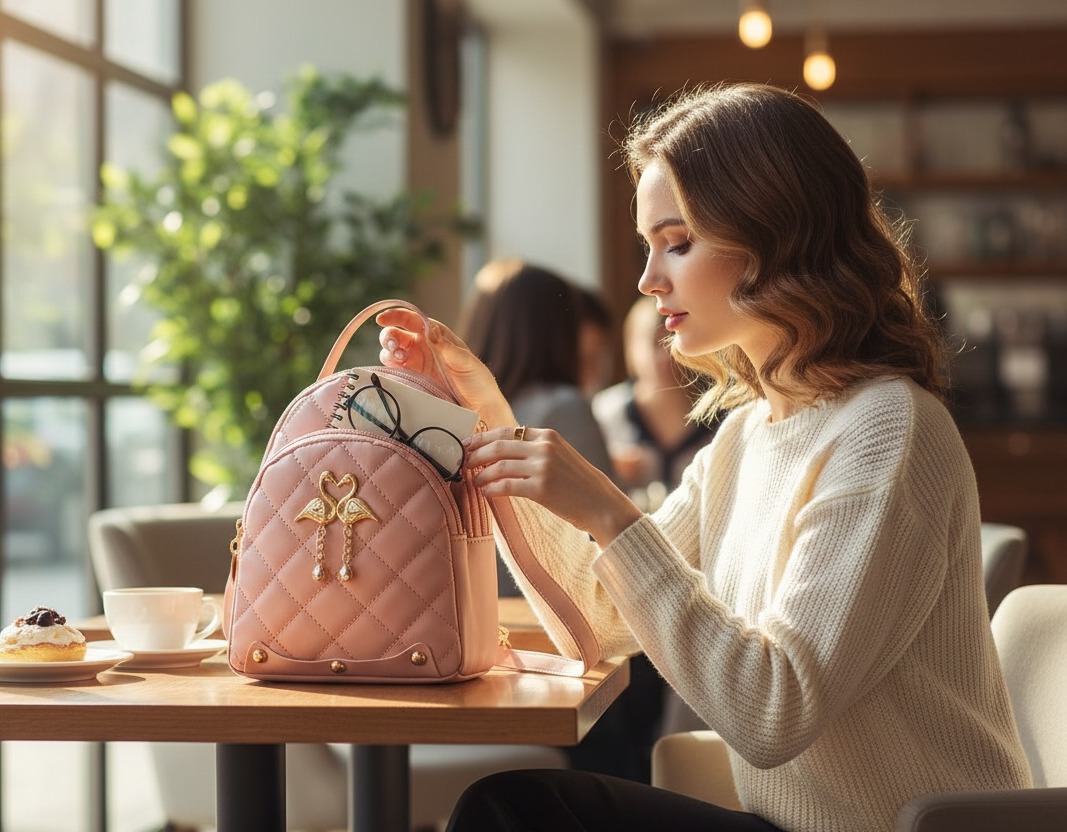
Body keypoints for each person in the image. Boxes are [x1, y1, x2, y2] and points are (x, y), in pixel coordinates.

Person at [376, 82, 1031, 832]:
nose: (647, 280)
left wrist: (612, 514)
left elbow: (771, 712)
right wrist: (487, 419)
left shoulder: (887, 430)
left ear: (776, 234)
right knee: (510, 809)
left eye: (678, 242)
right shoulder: (747, 436)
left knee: (515, 814)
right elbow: (596, 626)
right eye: (648, 246)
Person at [459, 258, 614, 484]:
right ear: (560, 332)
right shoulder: (565, 407)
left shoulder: (453, 410)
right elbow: (603, 502)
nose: (596, 374)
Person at [593, 294, 717, 512]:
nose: (665, 356)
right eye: (654, 344)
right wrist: (609, 472)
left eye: (673, 341)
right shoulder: (606, 411)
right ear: (631, 347)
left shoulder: (718, 412)